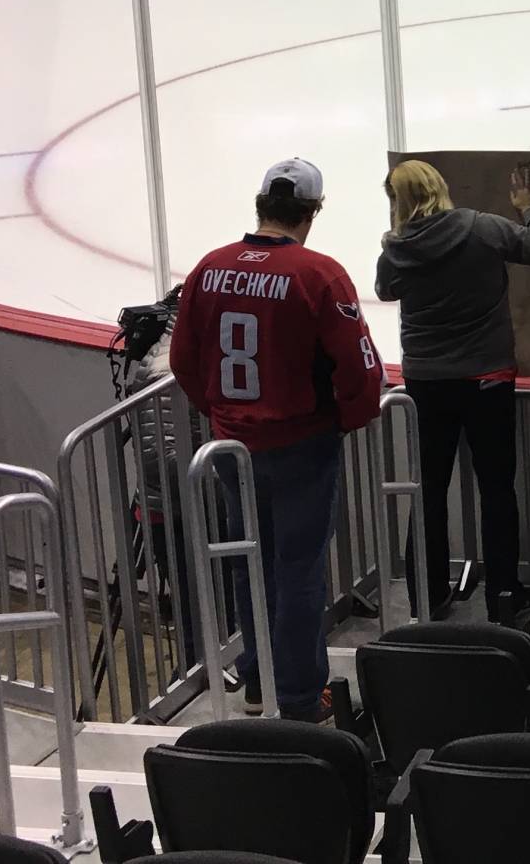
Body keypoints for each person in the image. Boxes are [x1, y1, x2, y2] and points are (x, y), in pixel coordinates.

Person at [172, 160, 383, 721]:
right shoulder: (319, 275)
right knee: (298, 569)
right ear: (312, 211)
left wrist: (222, 417)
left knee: (250, 563)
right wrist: (350, 417)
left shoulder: (209, 268)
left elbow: (183, 361)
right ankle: (301, 693)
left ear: (260, 202)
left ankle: (259, 680)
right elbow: (360, 368)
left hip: (233, 450)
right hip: (301, 445)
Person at [375, 160, 530, 624]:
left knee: (429, 489)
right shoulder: (482, 227)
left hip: (426, 380)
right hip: (487, 376)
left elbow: (385, 289)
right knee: (497, 488)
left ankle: (426, 595)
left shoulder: (395, 249)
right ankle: (503, 595)